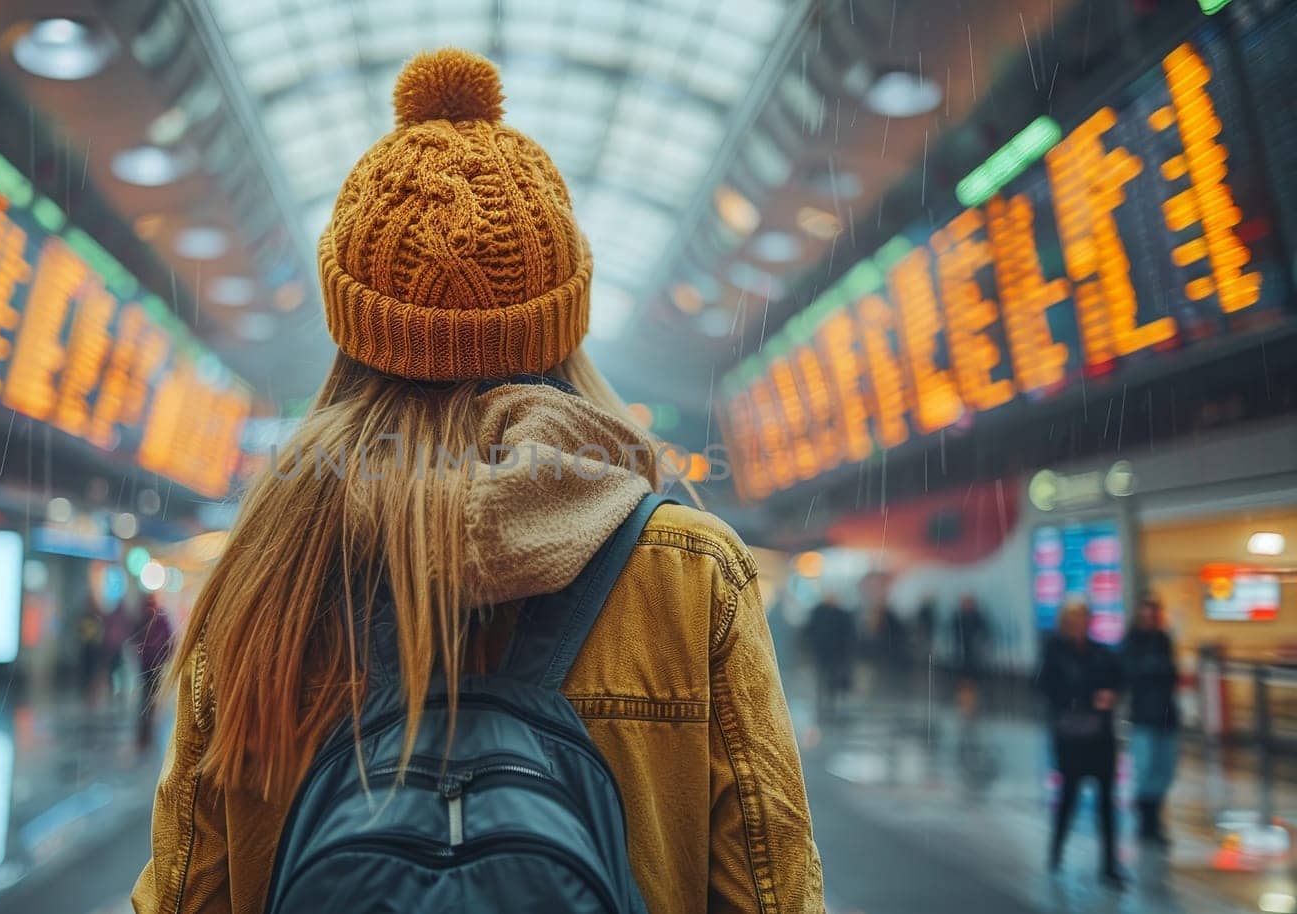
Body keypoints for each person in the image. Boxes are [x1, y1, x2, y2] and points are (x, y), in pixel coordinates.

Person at [133, 49, 824, 914]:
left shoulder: (267, 575)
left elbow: (184, 895)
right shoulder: (688, 574)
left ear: (352, 332)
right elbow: (771, 896)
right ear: (563, 325)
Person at [1037, 598, 1126, 886]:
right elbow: (1044, 687)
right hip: (1071, 737)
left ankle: (1109, 864)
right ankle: (1056, 851)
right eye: (1073, 618)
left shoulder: (1101, 653)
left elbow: (1120, 680)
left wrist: (1110, 695)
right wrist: (1080, 699)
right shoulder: (1054, 652)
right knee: (1069, 796)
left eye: (1082, 618)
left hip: (1100, 737)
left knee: (1106, 803)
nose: (1078, 624)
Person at [1123, 595, 1179, 846]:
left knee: (1165, 769)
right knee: (1145, 768)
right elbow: (1132, 674)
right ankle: (1147, 821)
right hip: (1143, 716)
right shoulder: (1131, 641)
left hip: (1166, 715)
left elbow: (1170, 674)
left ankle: (1154, 816)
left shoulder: (1163, 640)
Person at [803, 594, 855, 722]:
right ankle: (823, 703)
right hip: (822, 653)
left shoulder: (842, 614)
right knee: (822, 678)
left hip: (836, 654)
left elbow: (848, 635)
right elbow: (809, 631)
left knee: (834, 678)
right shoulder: (817, 612)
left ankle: (832, 702)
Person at [133, 594, 175, 750]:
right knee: (148, 697)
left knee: (147, 697)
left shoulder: (148, 616)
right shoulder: (156, 617)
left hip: (149, 663)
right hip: (151, 663)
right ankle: (146, 730)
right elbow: (169, 639)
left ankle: (146, 731)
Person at [952, 594, 992, 718]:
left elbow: (984, 632)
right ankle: (964, 698)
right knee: (963, 674)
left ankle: (971, 698)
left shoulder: (977, 617)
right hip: (963, 652)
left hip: (973, 652)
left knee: (972, 674)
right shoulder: (959, 617)